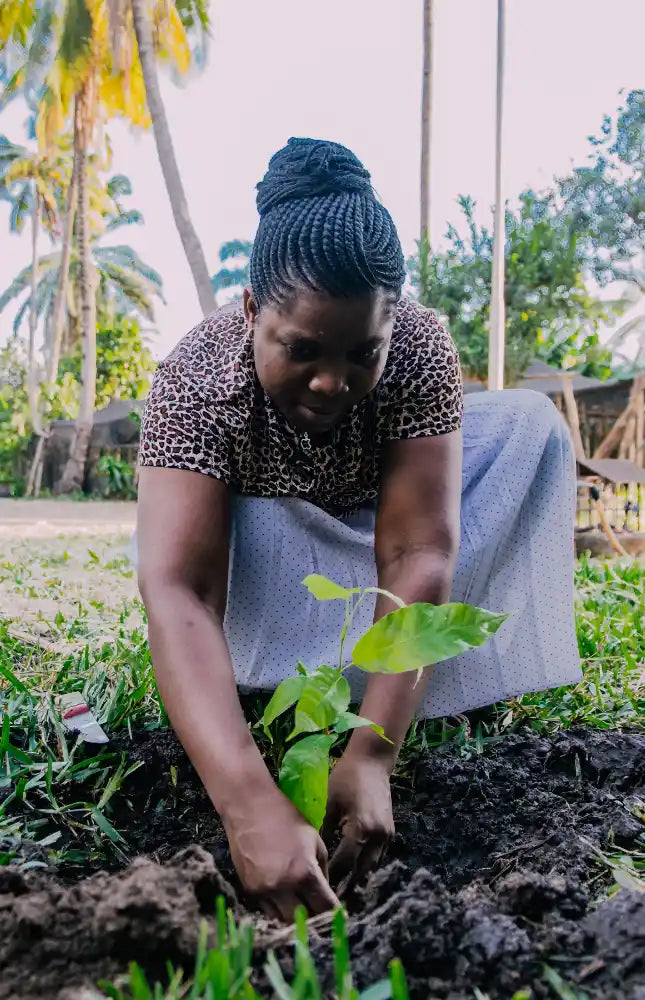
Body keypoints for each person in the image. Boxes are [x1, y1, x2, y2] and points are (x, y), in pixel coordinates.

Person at [136, 137, 581, 922]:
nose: (333, 381)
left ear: (391, 325)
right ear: (250, 311)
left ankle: (380, 689)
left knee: (529, 428)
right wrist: (246, 802)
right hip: (268, 556)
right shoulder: (196, 378)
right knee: (232, 531)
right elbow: (180, 587)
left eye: (359, 352)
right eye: (302, 349)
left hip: (376, 550)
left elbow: (418, 550)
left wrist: (372, 749)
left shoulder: (416, 347)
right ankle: (272, 674)